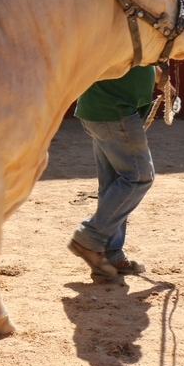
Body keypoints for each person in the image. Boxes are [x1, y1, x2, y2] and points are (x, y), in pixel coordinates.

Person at [67, 63, 164, 279]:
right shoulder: (124, 30)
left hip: (101, 110)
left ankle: (110, 255)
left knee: (113, 185)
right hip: (114, 111)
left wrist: (160, 77)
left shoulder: (131, 33)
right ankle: (89, 238)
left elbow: (142, 60)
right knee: (139, 177)